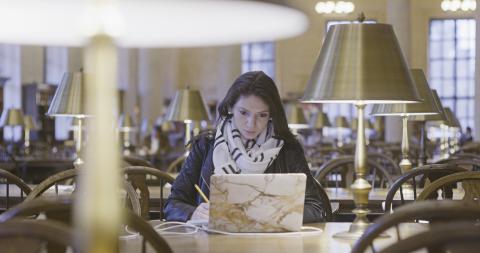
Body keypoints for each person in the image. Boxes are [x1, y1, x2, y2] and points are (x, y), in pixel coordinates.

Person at [164, 71, 327, 223]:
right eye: (243, 112)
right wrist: (193, 213)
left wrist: (272, 215)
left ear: (271, 115)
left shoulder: (288, 149)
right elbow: (173, 204)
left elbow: (316, 209)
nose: (251, 124)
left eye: (262, 115)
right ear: (230, 108)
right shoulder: (205, 146)